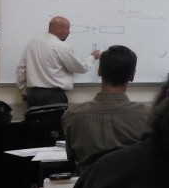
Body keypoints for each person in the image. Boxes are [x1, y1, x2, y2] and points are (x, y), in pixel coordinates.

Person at [61, 45, 151, 174]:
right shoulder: (148, 115)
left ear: (99, 71)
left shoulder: (73, 115)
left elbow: (71, 158)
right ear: (132, 75)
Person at [16, 16, 100, 107]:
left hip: (32, 95)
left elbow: (21, 69)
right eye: (68, 29)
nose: (69, 32)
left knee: (34, 120)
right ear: (58, 29)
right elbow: (81, 67)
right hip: (53, 97)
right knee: (54, 121)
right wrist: (92, 57)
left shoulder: (33, 42)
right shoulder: (61, 46)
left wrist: (24, 91)